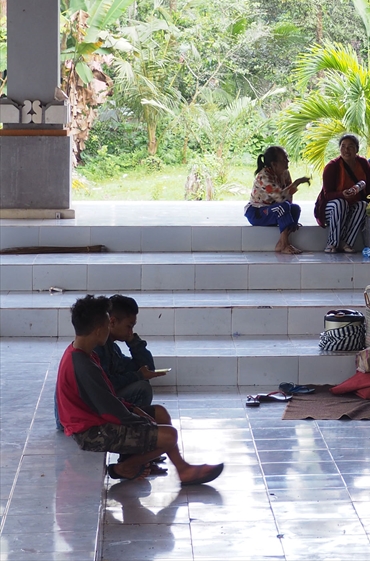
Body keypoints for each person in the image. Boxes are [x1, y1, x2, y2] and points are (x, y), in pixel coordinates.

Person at [56, 295, 223, 485]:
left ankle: (179, 468)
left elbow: (109, 396)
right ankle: (127, 467)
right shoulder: (83, 364)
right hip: (91, 433)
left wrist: (135, 410)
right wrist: (140, 421)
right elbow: (109, 409)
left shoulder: (85, 353)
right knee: (169, 436)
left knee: (160, 414)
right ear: (99, 330)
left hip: (99, 419)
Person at [96, 295, 164, 413]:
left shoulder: (113, 348)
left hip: (102, 399)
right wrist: (138, 375)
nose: (130, 332)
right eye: (129, 326)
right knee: (142, 389)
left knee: (142, 382)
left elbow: (146, 367)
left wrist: (133, 342)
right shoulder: (97, 347)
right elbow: (105, 384)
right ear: (112, 322)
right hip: (93, 405)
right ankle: (129, 426)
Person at [245, 146, 311, 254]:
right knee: (283, 207)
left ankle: (281, 243)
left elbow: (288, 198)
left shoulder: (285, 173)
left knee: (295, 209)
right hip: (257, 212)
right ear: (274, 164)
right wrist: (297, 182)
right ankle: (284, 244)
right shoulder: (264, 176)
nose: (287, 161)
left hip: (274, 209)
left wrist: (290, 214)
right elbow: (280, 197)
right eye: (284, 159)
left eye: (287, 157)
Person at [315, 134, 370, 254]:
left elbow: (369, 191)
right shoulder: (332, 167)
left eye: (350, 147)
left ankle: (347, 243)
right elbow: (327, 195)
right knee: (340, 203)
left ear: (357, 149)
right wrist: (342, 194)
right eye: (343, 146)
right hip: (332, 208)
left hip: (352, 205)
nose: (346, 150)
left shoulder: (363, 163)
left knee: (362, 205)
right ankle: (332, 243)